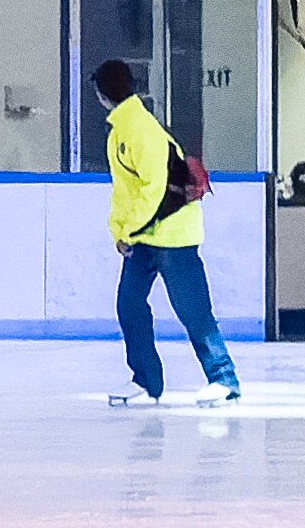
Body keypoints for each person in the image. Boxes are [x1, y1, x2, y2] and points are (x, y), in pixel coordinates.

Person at [95, 59, 241, 408]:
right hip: (144, 236)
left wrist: (128, 230)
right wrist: (121, 231)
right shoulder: (120, 131)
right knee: (129, 304)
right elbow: (125, 191)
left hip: (175, 236)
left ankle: (224, 380)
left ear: (102, 95)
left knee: (193, 310)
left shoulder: (140, 129)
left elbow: (155, 188)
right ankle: (146, 379)